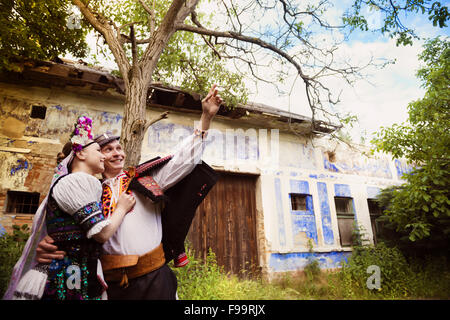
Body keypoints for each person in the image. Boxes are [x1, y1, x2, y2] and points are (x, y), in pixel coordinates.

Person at [33, 84, 223, 300]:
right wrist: (50, 245)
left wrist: (206, 118)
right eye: (107, 149)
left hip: (154, 280)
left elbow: (183, 161)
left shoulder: (144, 182)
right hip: (110, 286)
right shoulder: (88, 192)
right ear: (99, 157)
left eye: (119, 148)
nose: (116, 153)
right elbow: (68, 229)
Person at [3, 115, 135, 300]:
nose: (104, 156)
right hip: (67, 272)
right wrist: (121, 208)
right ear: (80, 153)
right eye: (100, 150)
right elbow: (101, 234)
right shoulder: (78, 181)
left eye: (117, 149)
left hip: (82, 270)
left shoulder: (87, 183)